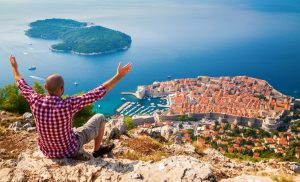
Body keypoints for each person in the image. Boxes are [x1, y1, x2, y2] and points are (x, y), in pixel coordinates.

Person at [9, 55, 132, 158]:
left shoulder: (35, 101)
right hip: (69, 150)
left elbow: (20, 82)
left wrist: (14, 68)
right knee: (100, 117)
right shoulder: (68, 104)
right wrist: (119, 76)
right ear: (62, 89)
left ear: (45, 88)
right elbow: (98, 92)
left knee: (72, 130)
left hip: (47, 151)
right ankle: (97, 150)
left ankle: (90, 146)